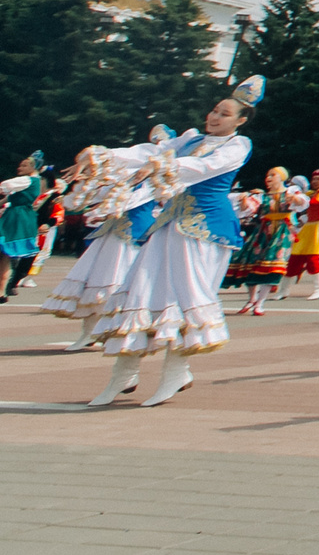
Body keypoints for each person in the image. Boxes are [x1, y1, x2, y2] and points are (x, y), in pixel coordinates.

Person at [85, 79, 262, 408]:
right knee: (139, 293)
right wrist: (103, 155)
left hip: (205, 228)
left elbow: (205, 167)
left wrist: (166, 164)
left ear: (240, 120)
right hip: (167, 224)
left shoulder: (238, 145)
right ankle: (123, 377)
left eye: (225, 114)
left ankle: (175, 373)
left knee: (184, 298)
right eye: (214, 110)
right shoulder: (190, 139)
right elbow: (148, 153)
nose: (215, 116)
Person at [42, 147, 156, 350]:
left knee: (121, 284)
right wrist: (85, 187)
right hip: (112, 233)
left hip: (135, 235)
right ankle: (89, 333)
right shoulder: (124, 180)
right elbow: (97, 197)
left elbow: (127, 201)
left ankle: (121, 332)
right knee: (95, 281)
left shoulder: (152, 183)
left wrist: (104, 206)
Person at [234, 166, 295, 316]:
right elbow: (248, 209)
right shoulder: (261, 196)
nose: (268, 178)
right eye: (267, 176)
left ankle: (260, 302)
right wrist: (243, 200)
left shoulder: (290, 193)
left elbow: (300, 204)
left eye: (272, 175)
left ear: (281, 177)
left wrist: (296, 199)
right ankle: (252, 299)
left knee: (273, 264)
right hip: (261, 232)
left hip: (281, 232)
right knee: (251, 263)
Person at [1, 154, 52, 297]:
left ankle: (2, 290)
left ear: (33, 167)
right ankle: (2, 291)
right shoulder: (34, 182)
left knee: (5, 253)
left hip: (16, 217)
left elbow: (5, 185)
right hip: (21, 216)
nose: (20, 168)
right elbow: (8, 197)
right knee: (5, 256)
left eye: (24, 165)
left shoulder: (27, 180)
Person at [283, 166, 319, 298]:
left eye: (318, 179)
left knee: (313, 257)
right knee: (295, 257)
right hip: (308, 227)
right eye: (313, 179)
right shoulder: (309, 193)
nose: (315, 181)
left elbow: (314, 202)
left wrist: (297, 198)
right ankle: (283, 290)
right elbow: (298, 205)